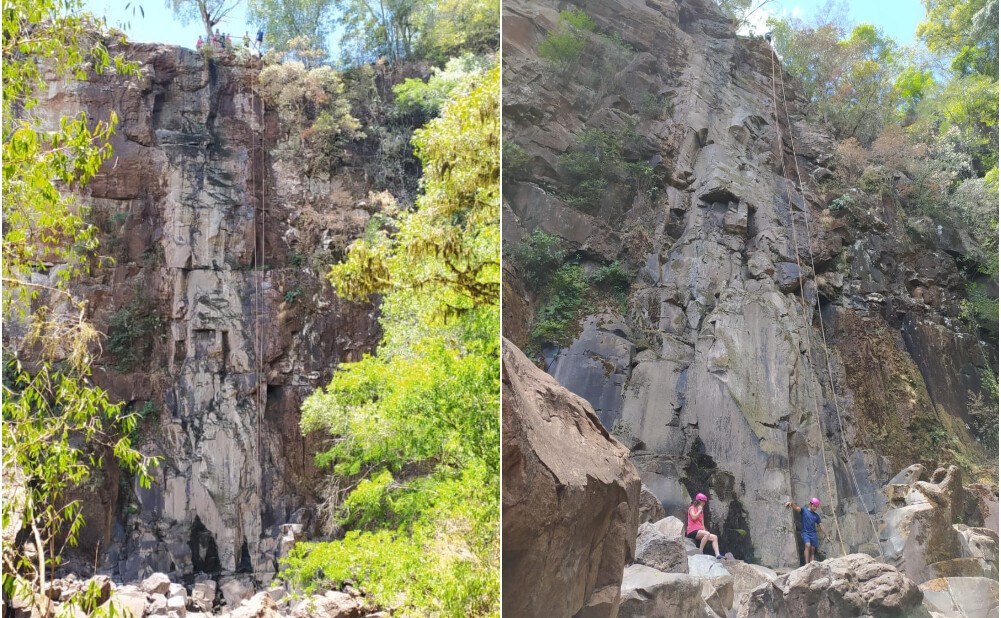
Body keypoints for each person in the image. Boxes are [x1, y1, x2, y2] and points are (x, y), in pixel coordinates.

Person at [785, 497, 831, 564]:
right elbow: (797, 508)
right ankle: (807, 564)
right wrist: (791, 504)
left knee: (812, 550)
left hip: (813, 534)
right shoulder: (804, 511)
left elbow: (821, 525)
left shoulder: (816, 516)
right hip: (805, 532)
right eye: (814, 506)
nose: (815, 508)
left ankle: (812, 564)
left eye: (816, 507)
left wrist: (827, 536)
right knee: (807, 545)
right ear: (810, 504)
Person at [687, 493, 724, 560]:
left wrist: (706, 533)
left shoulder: (701, 512)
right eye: (703, 501)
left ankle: (718, 555)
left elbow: (702, 525)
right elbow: (693, 517)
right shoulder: (691, 508)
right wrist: (699, 511)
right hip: (692, 531)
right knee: (707, 533)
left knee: (714, 537)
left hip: (699, 531)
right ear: (699, 501)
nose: (704, 503)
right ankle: (700, 551)